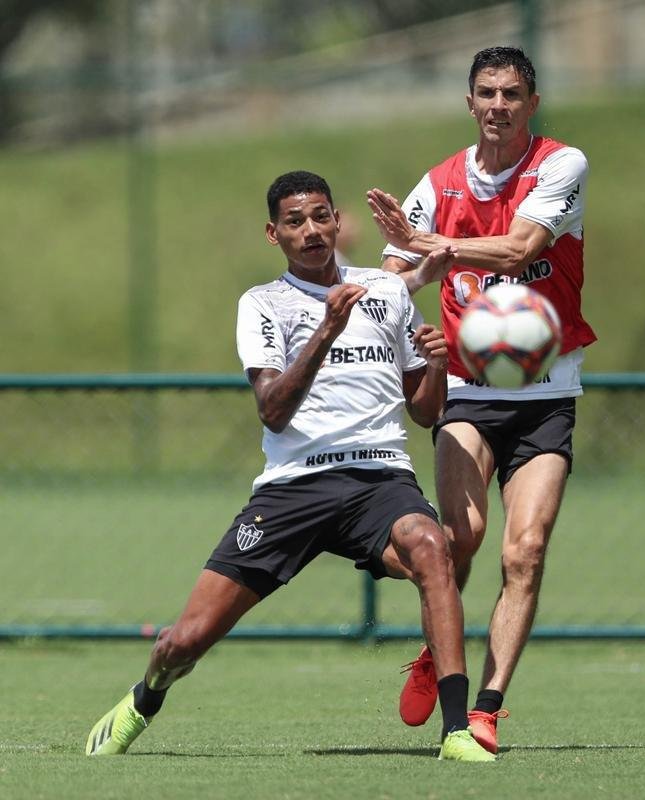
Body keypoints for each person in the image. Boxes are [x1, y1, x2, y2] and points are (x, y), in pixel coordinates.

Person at [85, 170, 494, 763]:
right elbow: (273, 412)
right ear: (273, 234)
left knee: (433, 548)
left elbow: (426, 412)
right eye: (295, 222)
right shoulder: (262, 303)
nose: (311, 230)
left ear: (337, 221)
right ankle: (146, 696)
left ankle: (456, 730)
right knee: (186, 640)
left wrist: (435, 366)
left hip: (379, 478)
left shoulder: (386, 290)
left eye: (321, 216)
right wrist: (326, 329)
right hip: (293, 488)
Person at [366, 46, 595, 754]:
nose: (499, 105)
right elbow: (396, 274)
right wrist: (398, 296)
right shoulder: (439, 183)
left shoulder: (561, 165)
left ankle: (487, 708)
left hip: (546, 390)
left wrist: (428, 246)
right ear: (469, 102)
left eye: (512, 93)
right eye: (487, 93)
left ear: (532, 103)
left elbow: (519, 247)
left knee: (525, 552)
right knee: (458, 540)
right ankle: (439, 650)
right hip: (467, 389)